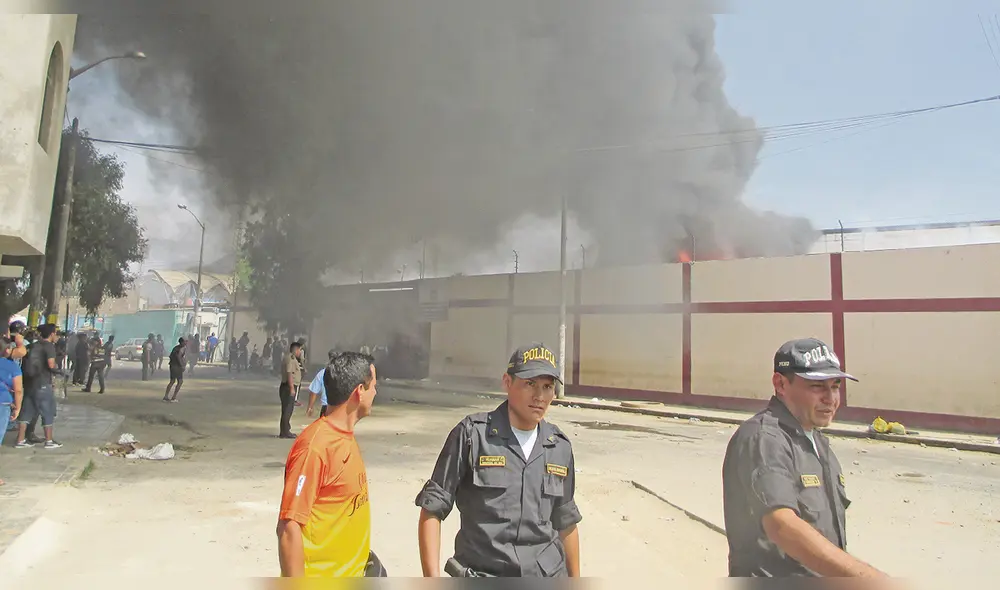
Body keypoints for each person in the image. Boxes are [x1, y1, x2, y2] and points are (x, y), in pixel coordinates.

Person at [721, 338, 887, 578]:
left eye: (835, 386)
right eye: (817, 386)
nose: (830, 399)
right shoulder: (764, 438)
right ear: (780, 383)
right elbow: (782, 525)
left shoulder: (816, 442)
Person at [415, 343, 582, 578]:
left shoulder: (558, 446)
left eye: (547, 387)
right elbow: (432, 509)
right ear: (507, 383)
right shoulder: (472, 435)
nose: (539, 396)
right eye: (530, 384)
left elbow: (566, 522)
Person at [276, 351, 382, 577]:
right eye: (373, 385)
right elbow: (289, 527)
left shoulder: (344, 436)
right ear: (359, 392)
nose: (376, 392)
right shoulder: (315, 447)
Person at [15, 323, 64, 449]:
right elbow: (51, 364)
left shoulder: (32, 345)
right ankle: (49, 441)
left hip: (29, 383)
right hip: (42, 384)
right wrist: (59, 371)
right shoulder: (49, 346)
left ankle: (20, 440)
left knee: (26, 413)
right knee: (47, 411)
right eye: (56, 333)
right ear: (52, 333)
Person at [1, 335, 24, 485]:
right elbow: (18, 390)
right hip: (2, 405)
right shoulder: (12, 366)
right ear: (7, 350)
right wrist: (18, 408)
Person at [277, 341, 303, 439]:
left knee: (286, 410)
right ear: (295, 350)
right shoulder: (291, 359)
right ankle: (285, 432)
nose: (300, 352)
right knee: (288, 410)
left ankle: (284, 431)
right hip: (288, 387)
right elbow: (289, 374)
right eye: (299, 350)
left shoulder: (289, 358)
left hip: (286, 386)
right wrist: (292, 388)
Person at [305, 349, 338, 419]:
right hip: (340, 408)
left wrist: (310, 407)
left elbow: (314, 391)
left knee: (324, 429)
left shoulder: (322, 373)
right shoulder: (343, 373)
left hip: (326, 408)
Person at [163, 337, 187, 403]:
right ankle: (174, 397)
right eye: (185, 341)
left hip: (172, 365)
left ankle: (166, 396)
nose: (186, 342)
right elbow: (179, 357)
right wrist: (182, 365)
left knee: (172, 381)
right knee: (180, 381)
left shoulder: (175, 348)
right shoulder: (181, 348)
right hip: (177, 366)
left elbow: (170, 356)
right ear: (182, 342)